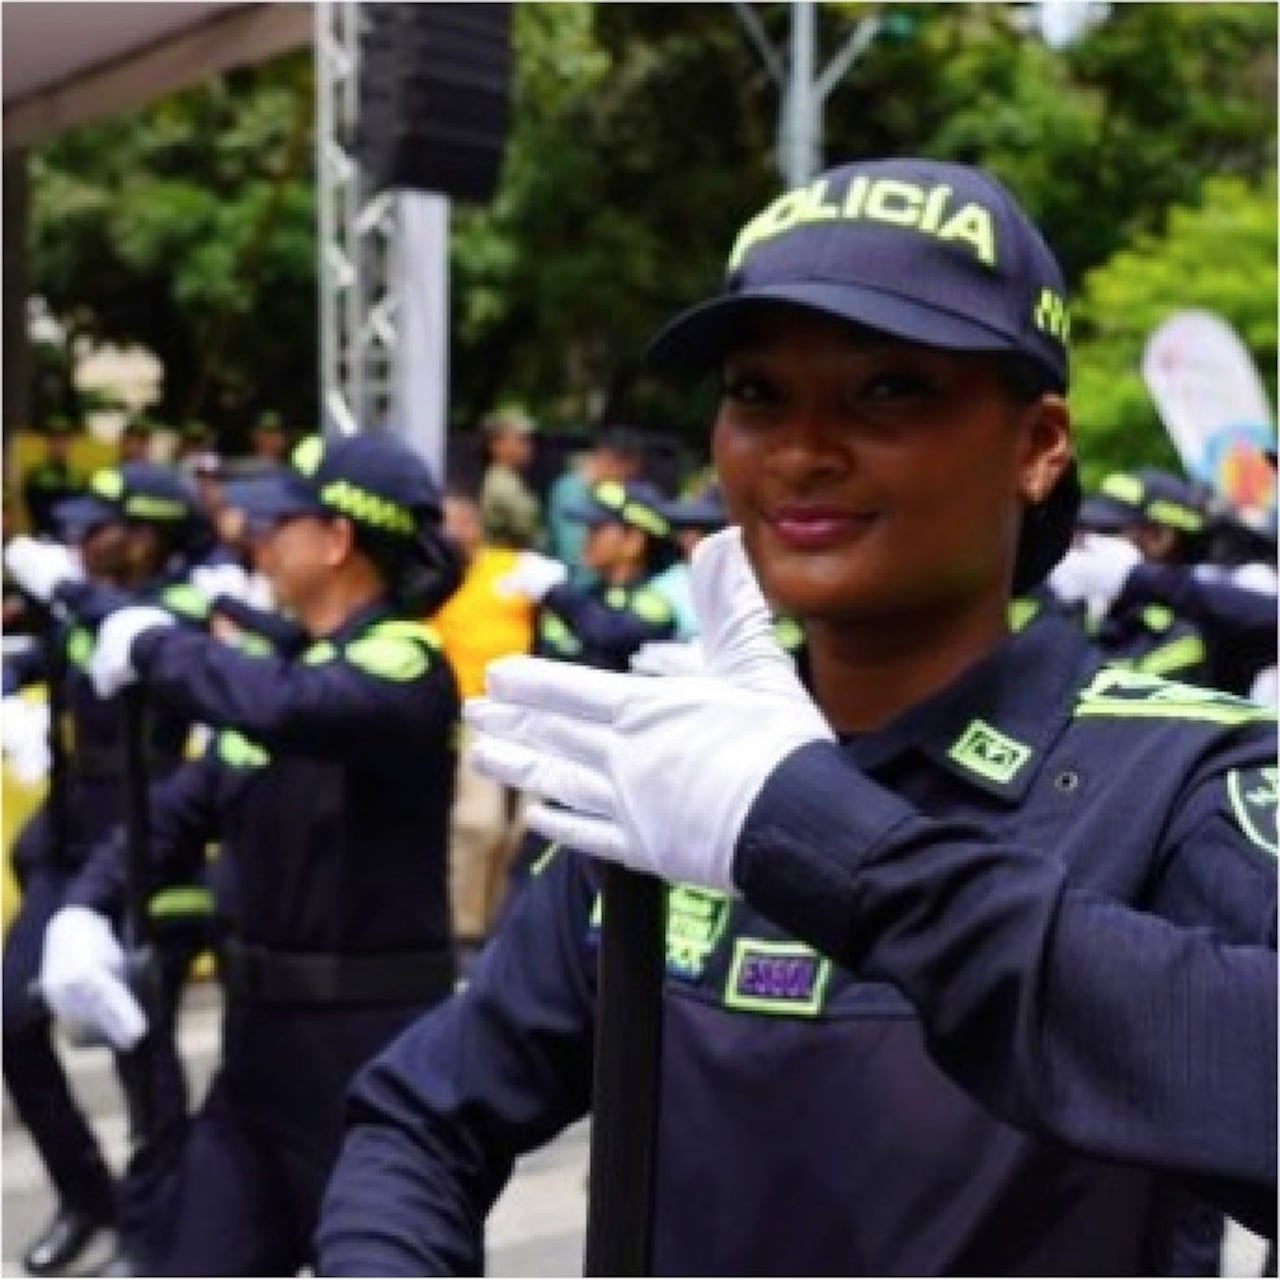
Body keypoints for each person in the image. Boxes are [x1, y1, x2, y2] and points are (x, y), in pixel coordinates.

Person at [319, 158, 1276, 1275]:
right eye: (755, 392)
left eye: (887, 389)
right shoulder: (677, 767)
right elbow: (419, 1117)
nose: (800, 450)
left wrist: (810, 830)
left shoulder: (1176, 772)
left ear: (1036, 444)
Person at [35, 431, 467, 1275]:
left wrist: (155, 645)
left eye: (282, 522)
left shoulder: (403, 663)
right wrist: (84, 909)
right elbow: (171, 814)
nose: (258, 538)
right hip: (258, 1059)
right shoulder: (292, 674)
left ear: (339, 539)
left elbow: (293, 706)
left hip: (374, 1068)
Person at [2, 463, 210, 1277]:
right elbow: (48, 663)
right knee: (12, 1027)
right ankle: (88, 1196)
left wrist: (71, 596)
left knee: (141, 1046)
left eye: (101, 527)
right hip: (68, 843)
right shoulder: (83, 601)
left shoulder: (186, 603)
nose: (81, 541)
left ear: (148, 534)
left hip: (146, 847)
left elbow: (154, 639)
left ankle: (154, 1223)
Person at [431, 485, 536, 957]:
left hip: (531, 709)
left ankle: (502, 919)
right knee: (480, 822)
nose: (457, 532)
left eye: (462, 521)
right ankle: (468, 928)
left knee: (529, 827)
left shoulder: (512, 567)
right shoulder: (435, 580)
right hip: (472, 711)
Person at [543, 425, 647, 574]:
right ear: (617, 464)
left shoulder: (599, 491)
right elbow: (574, 556)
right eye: (630, 474)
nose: (628, 482)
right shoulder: (571, 491)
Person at [478, 409, 542, 549]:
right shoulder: (502, 484)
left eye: (529, 441)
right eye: (521, 441)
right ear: (496, 446)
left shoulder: (511, 479)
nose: (528, 447)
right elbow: (527, 529)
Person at [21, 419, 86, 538]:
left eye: (64, 440)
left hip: (75, 535)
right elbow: (38, 511)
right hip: (46, 536)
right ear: (48, 443)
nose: (60, 445)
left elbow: (83, 508)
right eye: (55, 440)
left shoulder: (78, 476)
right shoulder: (36, 475)